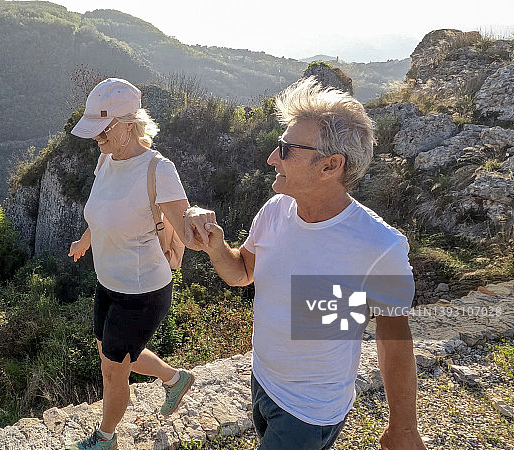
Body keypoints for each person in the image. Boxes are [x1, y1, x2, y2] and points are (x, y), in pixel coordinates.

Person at [184, 77, 426, 450]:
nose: (271, 159)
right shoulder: (277, 209)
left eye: (285, 150)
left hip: (311, 411)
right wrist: (216, 247)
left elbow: (393, 337)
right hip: (262, 381)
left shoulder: (379, 246)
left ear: (330, 166)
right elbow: (243, 273)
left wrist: (404, 430)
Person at [66, 78, 198, 450]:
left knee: (113, 370)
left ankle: (106, 437)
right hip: (108, 282)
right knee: (115, 353)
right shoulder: (106, 159)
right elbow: (102, 211)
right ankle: (174, 379)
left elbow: (187, 230)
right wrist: (85, 240)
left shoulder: (158, 169)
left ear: (129, 122)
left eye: (103, 130)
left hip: (142, 290)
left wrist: (199, 217)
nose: (97, 139)